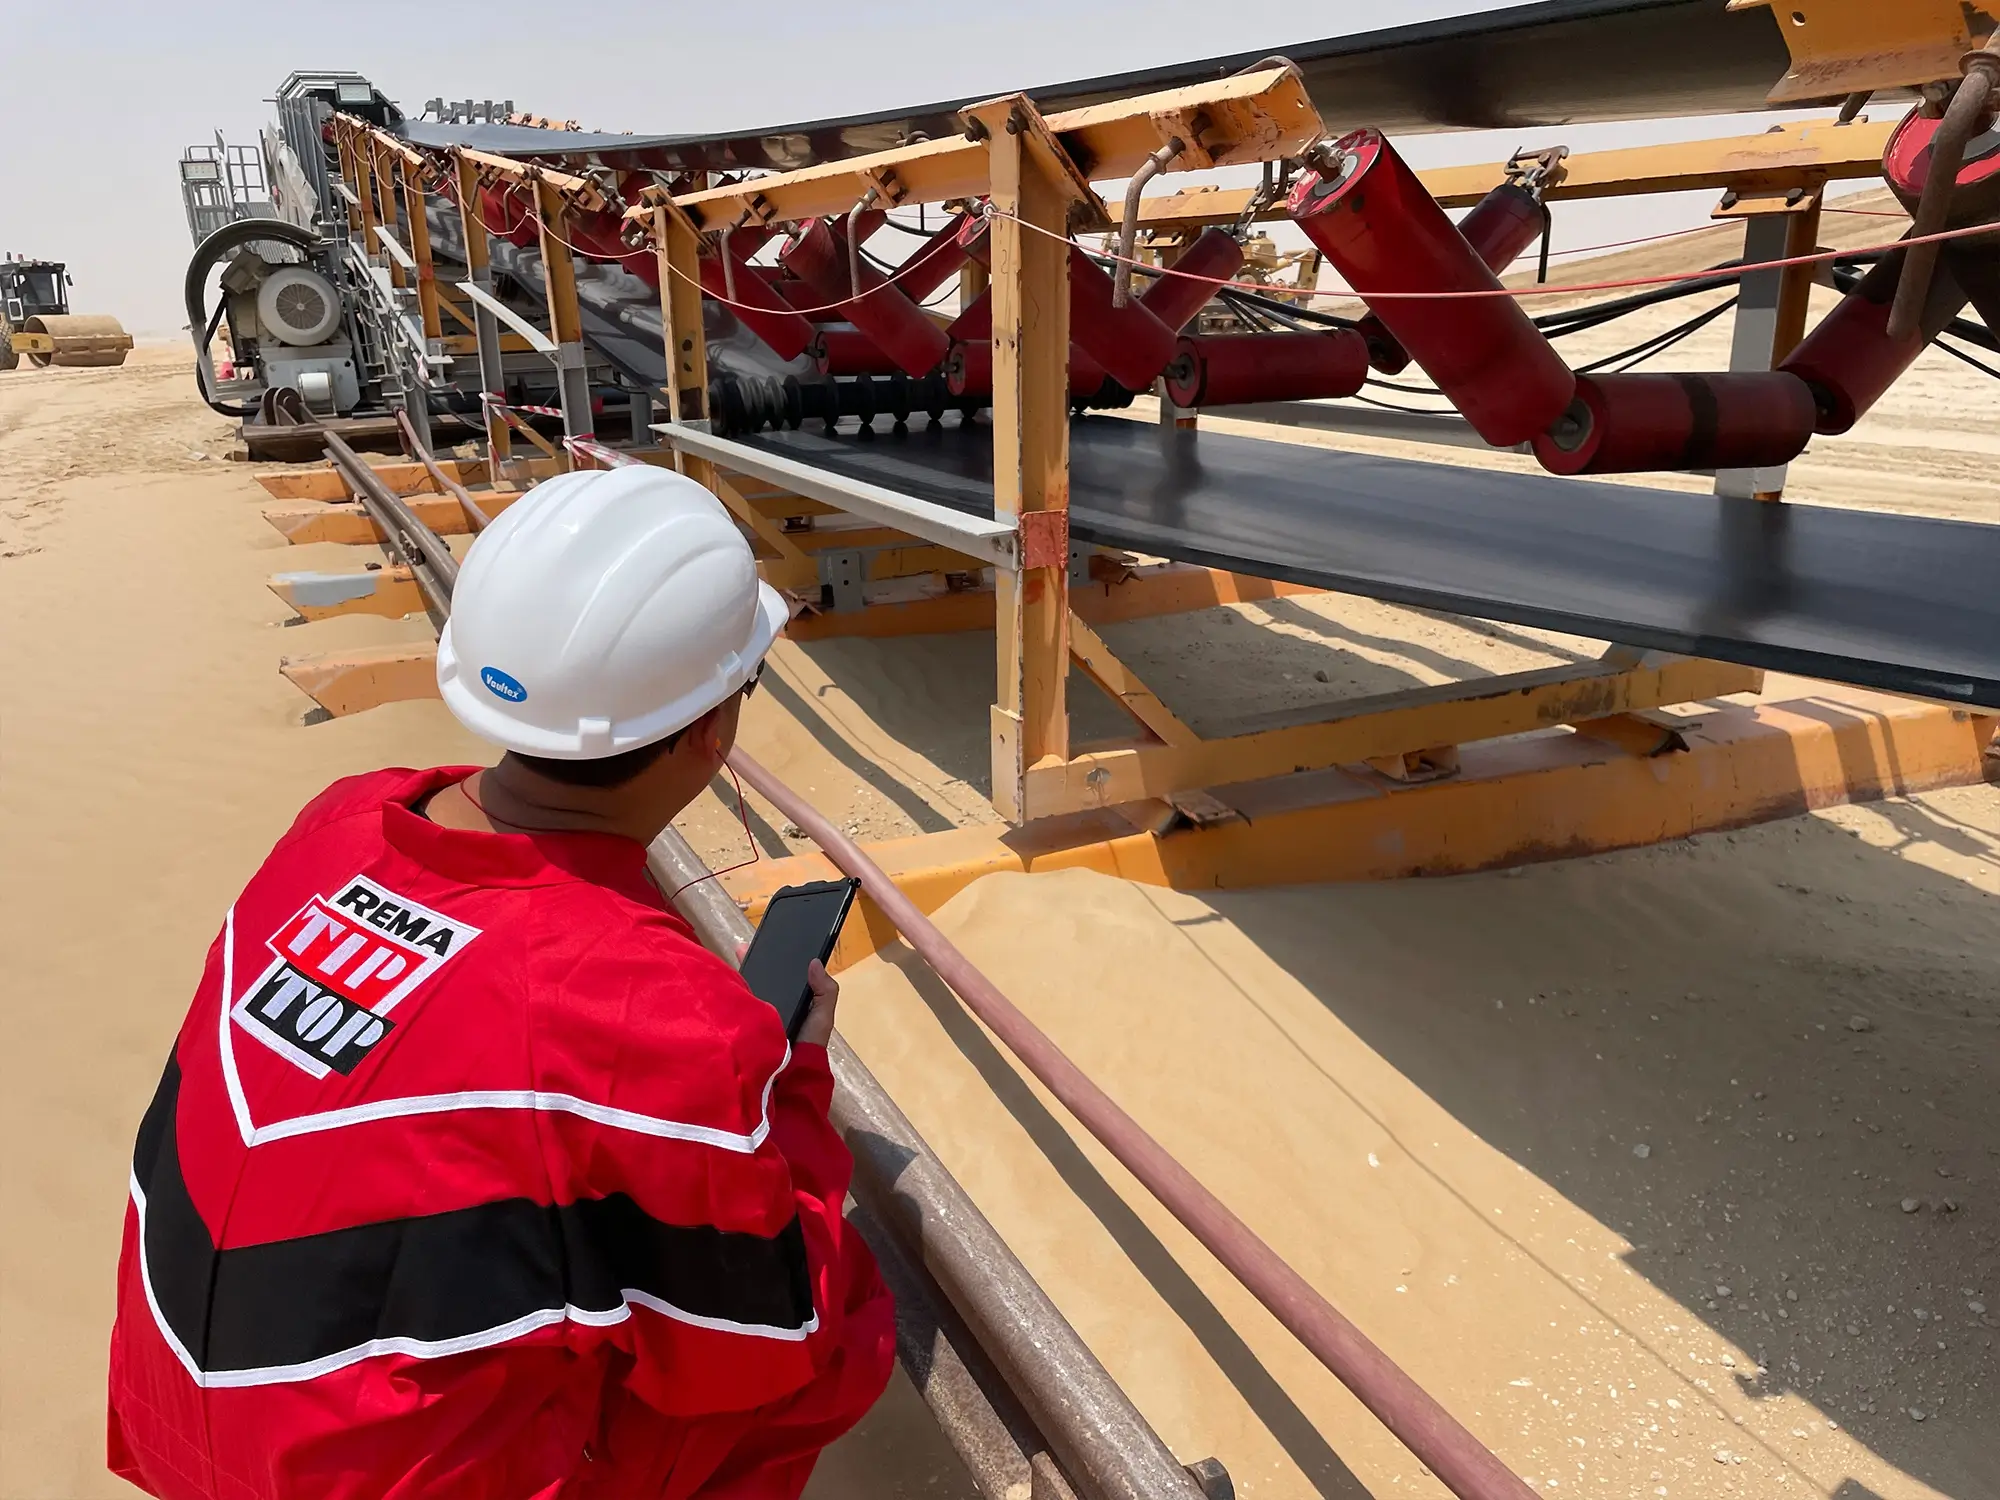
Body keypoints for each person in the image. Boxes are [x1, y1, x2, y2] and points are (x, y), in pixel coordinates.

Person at [107, 465, 896, 1499]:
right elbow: (765, 1337)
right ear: (713, 730)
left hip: (178, 1425)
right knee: (839, 1327)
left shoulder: (340, 820)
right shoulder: (651, 1010)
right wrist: (789, 1088)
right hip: (358, 1478)